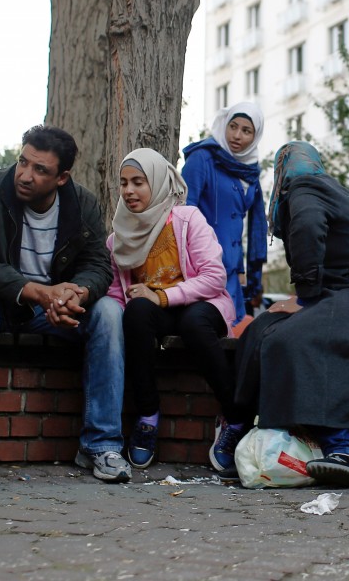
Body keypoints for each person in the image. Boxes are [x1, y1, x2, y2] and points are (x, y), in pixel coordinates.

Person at [0, 126, 130, 483]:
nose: (25, 176)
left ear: (62, 177)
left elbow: (97, 266)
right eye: (22, 163)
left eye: (40, 170)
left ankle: (101, 444)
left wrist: (74, 295)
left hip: (52, 311)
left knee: (108, 311)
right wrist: (37, 292)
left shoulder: (83, 204)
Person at [235, 141, 349, 487]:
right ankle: (240, 427)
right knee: (264, 327)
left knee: (294, 338)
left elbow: (308, 227)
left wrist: (304, 296)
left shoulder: (305, 186)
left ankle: (341, 447)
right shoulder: (324, 188)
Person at [107, 148, 249, 482]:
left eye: (138, 182)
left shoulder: (187, 219)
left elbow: (214, 277)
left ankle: (235, 417)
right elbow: (118, 293)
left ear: (157, 182)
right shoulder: (117, 239)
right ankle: (147, 414)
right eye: (124, 183)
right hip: (158, 311)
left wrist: (161, 295)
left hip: (204, 304)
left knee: (193, 324)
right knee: (135, 312)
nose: (129, 190)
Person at [181, 102, 267, 330]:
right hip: (201, 269)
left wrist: (253, 279)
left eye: (246, 131)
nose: (237, 135)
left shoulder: (251, 172)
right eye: (233, 126)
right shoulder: (202, 158)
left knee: (234, 338)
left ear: (255, 136)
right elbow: (183, 213)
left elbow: (257, 227)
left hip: (232, 275)